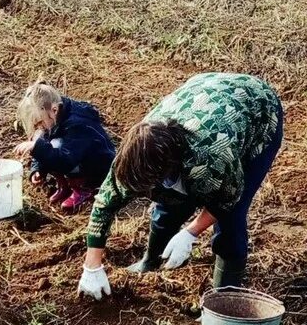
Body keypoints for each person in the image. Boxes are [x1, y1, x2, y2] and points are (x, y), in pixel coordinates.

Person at [77, 73, 283, 300]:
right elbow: (104, 204)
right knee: (167, 207)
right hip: (203, 93)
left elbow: (228, 198)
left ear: (170, 167)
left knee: (230, 223)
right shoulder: (133, 156)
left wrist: (191, 232)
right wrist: (92, 267)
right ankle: (151, 260)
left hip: (257, 110)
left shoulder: (209, 157)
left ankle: (223, 297)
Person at [13, 81, 116, 214]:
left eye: (40, 122)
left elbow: (66, 161)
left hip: (96, 167)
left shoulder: (77, 125)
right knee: (43, 141)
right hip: (72, 157)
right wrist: (38, 168)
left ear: (54, 110)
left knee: (53, 146)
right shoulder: (54, 117)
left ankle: (84, 188)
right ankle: (65, 185)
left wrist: (36, 148)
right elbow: (43, 141)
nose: (40, 126)